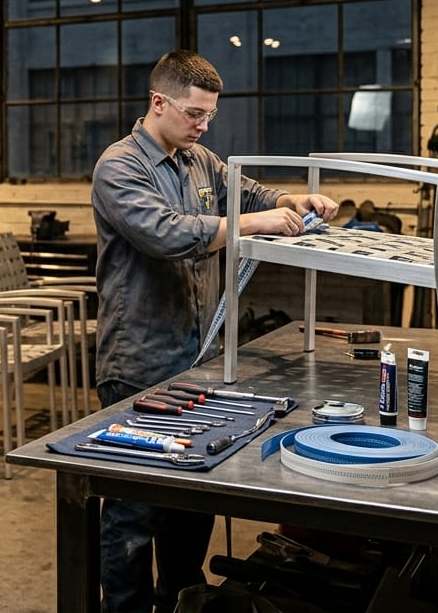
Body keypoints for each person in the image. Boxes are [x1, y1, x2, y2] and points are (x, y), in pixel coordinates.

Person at [89, 49, 338, 612]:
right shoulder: (120, 166)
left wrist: (289, 199)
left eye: (210, 116)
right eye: (195, 114)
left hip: (194, 359)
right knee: (134, 514)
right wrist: (257, 223)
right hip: (139, 365)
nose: (203, 125)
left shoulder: (199, 160)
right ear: (159, 102)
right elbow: (167, 233)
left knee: (189, 504)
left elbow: (248, 193)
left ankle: (180, 599)